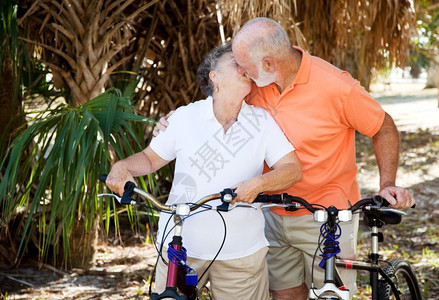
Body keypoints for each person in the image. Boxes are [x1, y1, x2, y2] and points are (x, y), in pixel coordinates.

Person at [155, 17, 416, 300]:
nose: (241, 72)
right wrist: (170, 123)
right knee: (284, 296)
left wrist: (387, 182)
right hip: (270, 212)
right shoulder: (256, 83)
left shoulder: (337, 87)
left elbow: (383, 126)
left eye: (245, 66)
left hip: (326, 216)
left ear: (269, 64)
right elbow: (216, 105)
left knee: (329, 296)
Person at [105, 42, 302, 299]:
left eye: (246, 63)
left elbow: (292, 169)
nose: (244, 67)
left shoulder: (261, 121)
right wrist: (121, 167)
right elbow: (149, 159)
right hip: (181, 246)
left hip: (241, 254)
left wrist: (259, 184)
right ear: (214, 76)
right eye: (236, 62)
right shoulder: (184, 118)